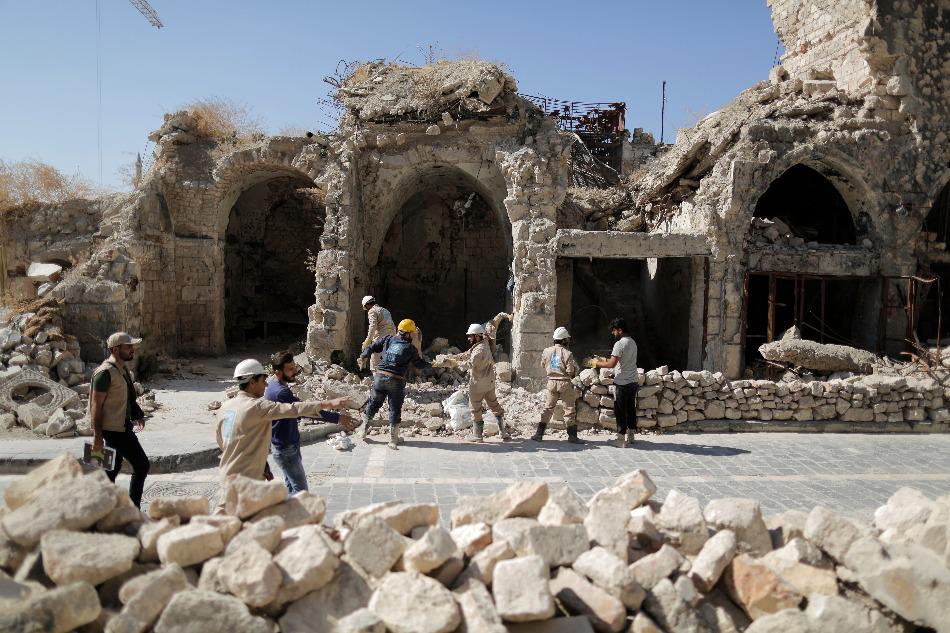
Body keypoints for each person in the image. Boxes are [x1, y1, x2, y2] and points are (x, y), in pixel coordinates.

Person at [216, 359, 353, 493]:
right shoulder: (257, 406)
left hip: (228, 475)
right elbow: (295, 409)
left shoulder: (225, 407)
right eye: (263, 381)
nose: (265, 385)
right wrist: (328, 404)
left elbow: (225, 442)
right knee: (300, 493)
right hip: (248, 480)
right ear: (252, 382)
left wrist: (262, 465)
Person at [265, 351, 354, 495]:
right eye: (290, 369)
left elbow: (298, 410)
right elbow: (304, 410)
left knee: (291, 488)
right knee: (301, 493)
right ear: (278, 372)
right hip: (286, 449)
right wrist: (337, 418)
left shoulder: (275, 386)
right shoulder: (280, 392)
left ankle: (289, 515)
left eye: (295, 367)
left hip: (284, 445)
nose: (295, 372)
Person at [89, 332, 150, 508]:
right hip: (113, 431)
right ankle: (133, 509)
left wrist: (137, 413)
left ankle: (102, 508)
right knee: (142, 465)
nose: (132, 350)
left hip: (121, 427)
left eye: (132, 347)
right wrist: (97, 437)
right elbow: (95, 406)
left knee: (110, 470)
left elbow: (127, 396)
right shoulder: (104, 373)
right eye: (128, 347)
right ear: (116, 349)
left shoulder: (122, 369)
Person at [359, 319, 431, 449]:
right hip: (395, 380)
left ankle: (363, 430)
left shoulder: (388, 339)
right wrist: (433, 364)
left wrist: (364, 355)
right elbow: (418, 364)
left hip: (379, 377)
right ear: (407, 334)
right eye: (412, 333)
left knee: (374, 403)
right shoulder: (410, 348)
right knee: (394, 408)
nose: (414, 335)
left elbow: (372, 347)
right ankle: (393, 439)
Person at [450, 323, 509, 443]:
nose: (468, 338)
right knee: (494, 405)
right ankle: (503, 431)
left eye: (470, 336)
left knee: (475, 408)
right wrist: (455, 357)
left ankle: (477, 435)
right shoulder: (483, 344)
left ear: (477, 336)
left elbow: (470, 363)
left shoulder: (479, 350)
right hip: (489, 382)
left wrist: (451, 363)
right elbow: (468, 354)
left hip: (478, 383)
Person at [590, 317, 639, 448]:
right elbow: (620, 360)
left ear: (620, 330)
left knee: (620, 410)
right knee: (630, 408)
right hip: (633, 381)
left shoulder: (619, 344)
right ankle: (631, 435)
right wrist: (602, 359)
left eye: (614, 331)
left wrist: (594, 363)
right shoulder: (632, 342)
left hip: (622, 383)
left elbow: (611, 364)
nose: (613, 333)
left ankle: (620, 439)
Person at [531, 327, 583, 444]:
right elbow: (570, 372)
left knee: (548, 409)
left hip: (551, 382)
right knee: (569, 410)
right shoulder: (568, 353)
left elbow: (542, 364)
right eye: (567, 339)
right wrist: (575, 370)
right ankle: (572, 437)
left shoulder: (546, 351)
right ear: (564, 340)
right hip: (564, 383)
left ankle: (539, 434)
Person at [359, 295, 396, 371]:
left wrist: (368, 340)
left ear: (367, 305)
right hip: (392, 336)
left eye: (366, 307)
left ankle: (376, 379)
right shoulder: (385, 310)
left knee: (375, 360)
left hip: (382, 336)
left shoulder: (372, 311)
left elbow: (373, 326)